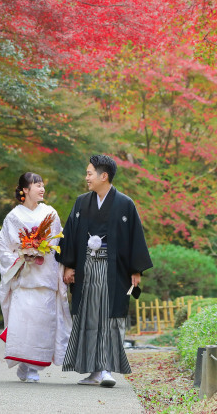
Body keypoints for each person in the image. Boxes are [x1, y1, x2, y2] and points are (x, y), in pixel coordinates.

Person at [58, 155, 152, 387]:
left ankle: (107, 369)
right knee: (89, 316)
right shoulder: (81, 203)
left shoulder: (125, 204)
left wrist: (136, 270)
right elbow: (69, 233)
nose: (86, 177)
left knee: (110, 318)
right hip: (86, 267)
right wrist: (69, 265)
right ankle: (93, 370)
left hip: (114, 270)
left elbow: (135, 238)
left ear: (104, 176)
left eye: (90, 173)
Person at [0, 172, 71, 383]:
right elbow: (3, 246)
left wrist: (41, 250)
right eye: (37, 185)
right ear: (25, 190)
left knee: (42, 323)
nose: (42, 189)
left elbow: (58, 244)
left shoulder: (51, 214)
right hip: (24, 277)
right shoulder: (13, 216)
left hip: (45, 276)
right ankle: (25, 365)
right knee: (24, 323)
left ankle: (33, 366)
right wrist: (22, 255)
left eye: (43, 185)